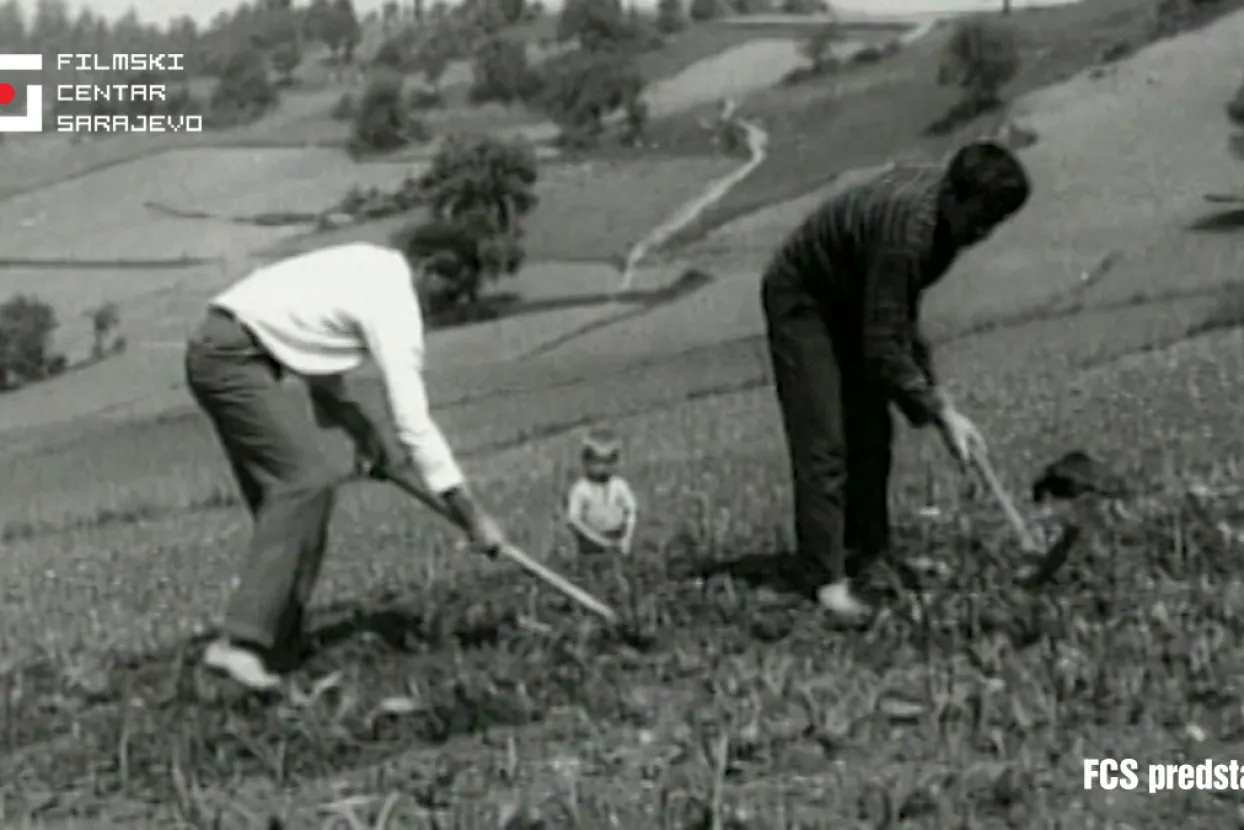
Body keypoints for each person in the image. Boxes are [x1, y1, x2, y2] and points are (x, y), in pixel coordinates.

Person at [184, 238, 508, 691]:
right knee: (306, 484)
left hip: (228, 347)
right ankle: (238, 644)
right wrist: (472, 517)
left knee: (294, 511)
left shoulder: (369, 266)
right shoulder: (393, 300)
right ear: (430, 270)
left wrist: (361, 431)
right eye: (443, 295)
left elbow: (311, 353)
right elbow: (413, 424)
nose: (436, 311)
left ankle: (275, 649)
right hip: (230, 356)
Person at [760, 139, 1032, 622]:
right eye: (981, 220)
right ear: (954, 196)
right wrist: (940, 413)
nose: (982, 235)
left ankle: (870, 552)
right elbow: (884, 345)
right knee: (824, 439)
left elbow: (899, 320)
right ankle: (825, 580)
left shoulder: (945, 225)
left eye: (995, 225)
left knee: (872, 430)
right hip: (804, 297)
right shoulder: (909, 233)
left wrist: (938, 400)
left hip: (852, 294)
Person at [565, 429, 638, 555]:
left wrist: (626, 539)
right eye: (597, 462)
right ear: (586, 461)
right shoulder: (581, 489)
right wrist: (599, 541)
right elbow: (574, 520)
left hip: (618, 538)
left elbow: (631, 511)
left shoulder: (618, 485)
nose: (603, 468)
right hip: (590, 544)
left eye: (608, 462)